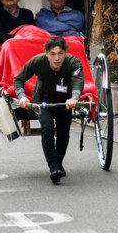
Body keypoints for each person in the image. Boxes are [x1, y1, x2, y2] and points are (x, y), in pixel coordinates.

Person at [14, 36, 84, 184]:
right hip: (42, 101)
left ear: (65, 52)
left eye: (60, 53)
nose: (57, 58)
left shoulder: (73, 62)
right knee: (47, 126)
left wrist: (75, 98)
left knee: (64, 132)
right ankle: (53, 168)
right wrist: (22, 96)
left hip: (64, 101)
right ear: (46, 53)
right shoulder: (38, 61)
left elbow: (78, 82)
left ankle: (58, 163)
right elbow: (18, 79)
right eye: (53, 54)